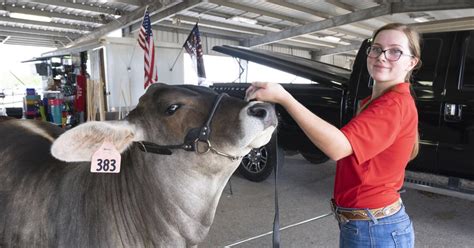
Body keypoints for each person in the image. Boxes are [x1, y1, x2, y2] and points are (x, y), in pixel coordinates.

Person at [245, 23, 421, 248]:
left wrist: (285, 98)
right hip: (368, 224)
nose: (382, 56)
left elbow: (338, 147)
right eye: (376, 48)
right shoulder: (375, 101)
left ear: (411, 62)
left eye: (395, 51)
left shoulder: (393, 104)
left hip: (375, 230)